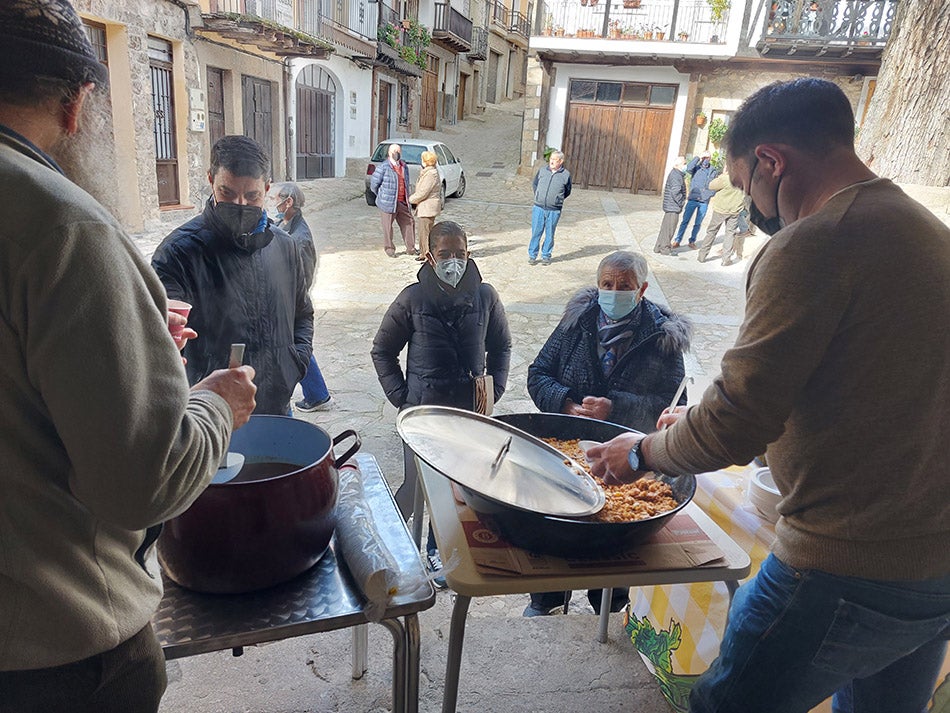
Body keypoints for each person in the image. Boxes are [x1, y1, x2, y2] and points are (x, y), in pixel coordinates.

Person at [588, 78, 950, 713]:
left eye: (744, 183)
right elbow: (876, 391)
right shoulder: (927, 231)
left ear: (771, 161)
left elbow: (737, 421)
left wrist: (641, 453)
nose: (751, 203)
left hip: (845, 563)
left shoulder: (814, 242)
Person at [0, 2, 257, 710]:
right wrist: (215, 403)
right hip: (58, 656)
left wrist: (132, 346)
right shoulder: (63, 224)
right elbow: (144, 478)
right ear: (77, 102)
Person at [524, 251, 691, 617]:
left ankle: (611, 610)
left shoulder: (662, 338)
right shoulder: (577, 321)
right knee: (561, 531)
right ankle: (547, 601)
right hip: (565, 453)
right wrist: (566, 404)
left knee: (615, 539)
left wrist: (614, 407)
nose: (614, 292)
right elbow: (538, 375)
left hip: (627, 464)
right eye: (607, 285)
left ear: (642, 289)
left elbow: (671, 406)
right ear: (598, 285)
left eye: (624, 286)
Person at [371, 221, 511, 587]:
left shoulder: (486, 297)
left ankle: (439, 551)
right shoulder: (412, 299)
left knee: (457, 488)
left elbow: (502, 345)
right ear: (430, 257)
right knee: (417, 485)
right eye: (445, 254)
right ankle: (393, 545)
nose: (453, 261)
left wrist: (494, 387)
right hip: (423, 413)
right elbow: (383, 349)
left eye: (460, 254)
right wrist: (402, 398)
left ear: (469, 255)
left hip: (469, 414)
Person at [152, 136, 314, 416]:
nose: (239, 204)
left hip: (277, 405)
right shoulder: (177, 253)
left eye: (252, 196)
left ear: (266, 189)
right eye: (227, 193)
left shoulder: (285, 246)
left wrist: (294, 362)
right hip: (210, 414)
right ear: (211, 180)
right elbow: (161, 339)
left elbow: (302, 313)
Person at [270, 182, 333, 412]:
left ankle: (318, 395)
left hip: (290, 302)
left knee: (297, 347)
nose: (272, 203)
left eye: (276, 198)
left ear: (289, 202)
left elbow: (303, 278)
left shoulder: (300, 238)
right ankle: (318, 394)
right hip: (282, 298)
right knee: (297, 346)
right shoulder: (283, 223)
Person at [370, 143, 418, 258]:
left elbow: (406, 183)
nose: (397, 154)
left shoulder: (403, 166)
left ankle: (411, 248)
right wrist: (383, 196)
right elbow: (374, 184)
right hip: (388, 202)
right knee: (387, 227)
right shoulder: (383, 167)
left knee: (409, 223)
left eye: (399, 151)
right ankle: (389, 249)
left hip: (402, 201)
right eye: (395, 151)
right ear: (389, 153)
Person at [528, 150, 572, 265]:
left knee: (550, 233)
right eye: (551, 159)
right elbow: (535, 184)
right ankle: (532, 255)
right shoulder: (542, 171)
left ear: (561, 161)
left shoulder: (565, 175)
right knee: (536, 232)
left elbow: (567, 191)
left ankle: (546, 255)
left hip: (554, 209)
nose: (551, 161)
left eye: (554, 160)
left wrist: (557, 200)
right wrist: (539, 196)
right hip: (539, 207)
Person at [671, 150, 720, 250]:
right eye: (704, 157)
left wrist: (708, 195)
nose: (706, 160)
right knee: (685, 221)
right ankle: (677, 240)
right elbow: (688, 168)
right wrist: (698, 157)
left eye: (708, 158)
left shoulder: (713, 170)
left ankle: (692, 241)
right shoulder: (696, 168)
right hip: (693, 199)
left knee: (698, 223)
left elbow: (715, 186)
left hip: (704, 201)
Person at [697, 172, 745, 265]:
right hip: (735, 210)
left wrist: (721, 176)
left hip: (720, 210)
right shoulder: (744, 180)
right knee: (730, 234)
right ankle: (726, 259)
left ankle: (702, 256)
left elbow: (711, 185)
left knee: (712, 232)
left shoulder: (726, 178)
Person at [408, 150, 442, 262]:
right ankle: (424, 253)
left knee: (426, 232)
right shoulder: (428, 172)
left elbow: (423, 192)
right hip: (425, 207)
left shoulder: (431, 174)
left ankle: (427, 255)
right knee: (424, 232)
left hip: (427, 207)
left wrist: (411, 199)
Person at [654, 156, 688, 255]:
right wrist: (681, 202)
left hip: (670, 206)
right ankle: (665, 249)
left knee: (665, 228)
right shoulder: (676, 176)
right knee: (669, 229)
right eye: (684, 164)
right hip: (673, 206)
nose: (685, 165)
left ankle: (658, 247)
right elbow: (675, 191)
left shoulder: (677, 174)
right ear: (677, 165)